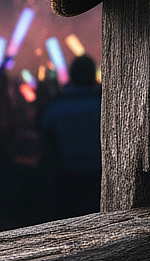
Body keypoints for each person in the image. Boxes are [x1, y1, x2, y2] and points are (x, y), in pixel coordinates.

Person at [38, 54, 102, 217]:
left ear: (72, 75)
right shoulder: (103, 102)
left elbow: (45, 137)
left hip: (68, 176)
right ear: (92, 75)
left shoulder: (57, 105)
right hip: (100, 175)